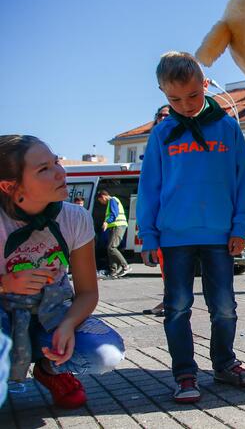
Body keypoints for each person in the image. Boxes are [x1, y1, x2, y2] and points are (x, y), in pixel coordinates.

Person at [138, 51, 245, 404]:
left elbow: (243, 180)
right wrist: (148, 234)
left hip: (220, 235)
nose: (186, 105)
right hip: (174, 237)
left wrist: (240, 226)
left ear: (205, 85)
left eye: (193, 95)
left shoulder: (228, 127)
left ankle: (224, 364)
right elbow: (150, 187)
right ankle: (185, 374)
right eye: (174, 99)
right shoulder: (161, 134)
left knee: (224, 306)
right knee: (176, 306)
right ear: (162, 93)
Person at [0, 135, 125, 409]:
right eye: (44, 169)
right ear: (10, 186)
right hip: (6, 318)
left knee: (106, 353)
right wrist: (5, 284)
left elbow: (88, 292)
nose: (61, 172)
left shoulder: (74, 217)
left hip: (52, 312)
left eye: (56, 161)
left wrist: (68, 325)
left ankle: (51, 370)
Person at [142, 104, 171, 317]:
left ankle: (171, 302)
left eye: (167, 115)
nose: (164, 118)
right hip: (161, 217)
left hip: (175, 218)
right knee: (165, 265)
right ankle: (168, 300)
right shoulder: (156, 140)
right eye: (160, 115)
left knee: (172, 266)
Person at [96, 190, 131, 278]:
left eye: (100, 200)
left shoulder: (112, 200)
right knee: (110, 248)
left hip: (117, 226)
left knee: (111, 247)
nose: (101, 202)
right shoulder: (111, 202)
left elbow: (114, 214)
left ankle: (126, 266)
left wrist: (107, 222)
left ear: (103, 196)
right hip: (114, 227)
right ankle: (113, 271)